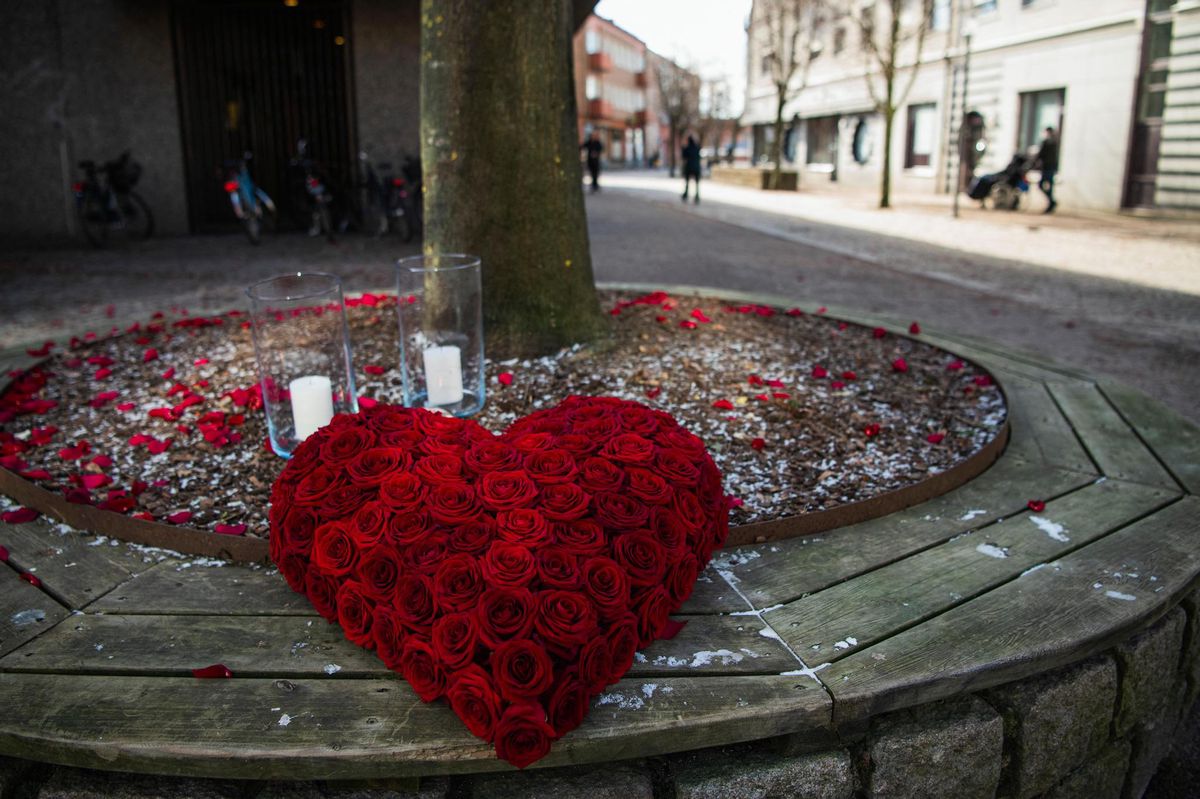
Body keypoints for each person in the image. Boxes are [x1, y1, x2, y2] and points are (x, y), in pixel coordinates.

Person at [1035, 126, 1058, 214]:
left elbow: (1040, 155)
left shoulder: (1048, 142)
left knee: (1044, 185)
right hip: (1049, 167)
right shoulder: (1054, 143)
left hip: (1048, 167)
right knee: (1048, 186)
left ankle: (1051, 202)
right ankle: (1051, 201)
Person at [681, 135, 701, 204]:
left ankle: (686, 194)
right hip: (696, 167)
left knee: (687, 182)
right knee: (697, 183)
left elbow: (683, 157)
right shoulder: (697, 148)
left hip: (689, 167)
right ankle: (697, 195)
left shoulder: (687, 148)